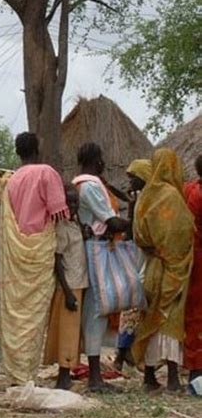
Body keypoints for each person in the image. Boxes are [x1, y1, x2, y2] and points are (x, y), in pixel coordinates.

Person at [0, 132, 68, 385]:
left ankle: (16, 372)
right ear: (37, 148)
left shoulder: (11, 180)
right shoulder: (46, 173)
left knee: (16, 311)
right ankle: (27, 373)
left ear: (18, 152)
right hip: (39, 250)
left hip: (16, 254)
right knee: (34, 314)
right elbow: (60, 213)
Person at [132, 148, 194, 392]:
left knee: (150, 318)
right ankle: (171, 379)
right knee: (170, 320)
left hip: (152, 266)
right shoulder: (171, 196)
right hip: (172, 268)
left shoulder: (145, 197)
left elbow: (138, 234)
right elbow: (180, 233)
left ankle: (148, 376)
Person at [72, 142, 129, 393]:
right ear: (97, 160)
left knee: (95, 309)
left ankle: (94, 373)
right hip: (97, 250)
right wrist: (135, 224)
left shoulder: (80, 183)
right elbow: (111, 221)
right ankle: (95, 377)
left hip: (91, 248)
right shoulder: (91, 187)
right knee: (97, 309)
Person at [44, 183, 88, 390]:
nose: (72, 206)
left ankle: (66, 373)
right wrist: (68, 292)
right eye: (68, 202)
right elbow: (57, 260)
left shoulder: (74, 224)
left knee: (72, 332)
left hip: (78, 282)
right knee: (68, 333)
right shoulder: (61, 226)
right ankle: (63, 375)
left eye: (75, 202)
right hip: (69, 285)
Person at [114, 159, 152, 371]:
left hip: (144, 255)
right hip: (136, 254)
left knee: (136, 303)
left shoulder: (149, 201)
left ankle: (127, 351)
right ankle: (123, 351)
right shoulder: (138, 200)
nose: (130, 181)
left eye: (133, 177)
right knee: (131, 303)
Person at [184, 154, 202, 382]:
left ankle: (193, 364)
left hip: (191, 255)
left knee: (193, 310)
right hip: (199, 255)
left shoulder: (188, 189)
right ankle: (197, 367)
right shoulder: (197, 194)